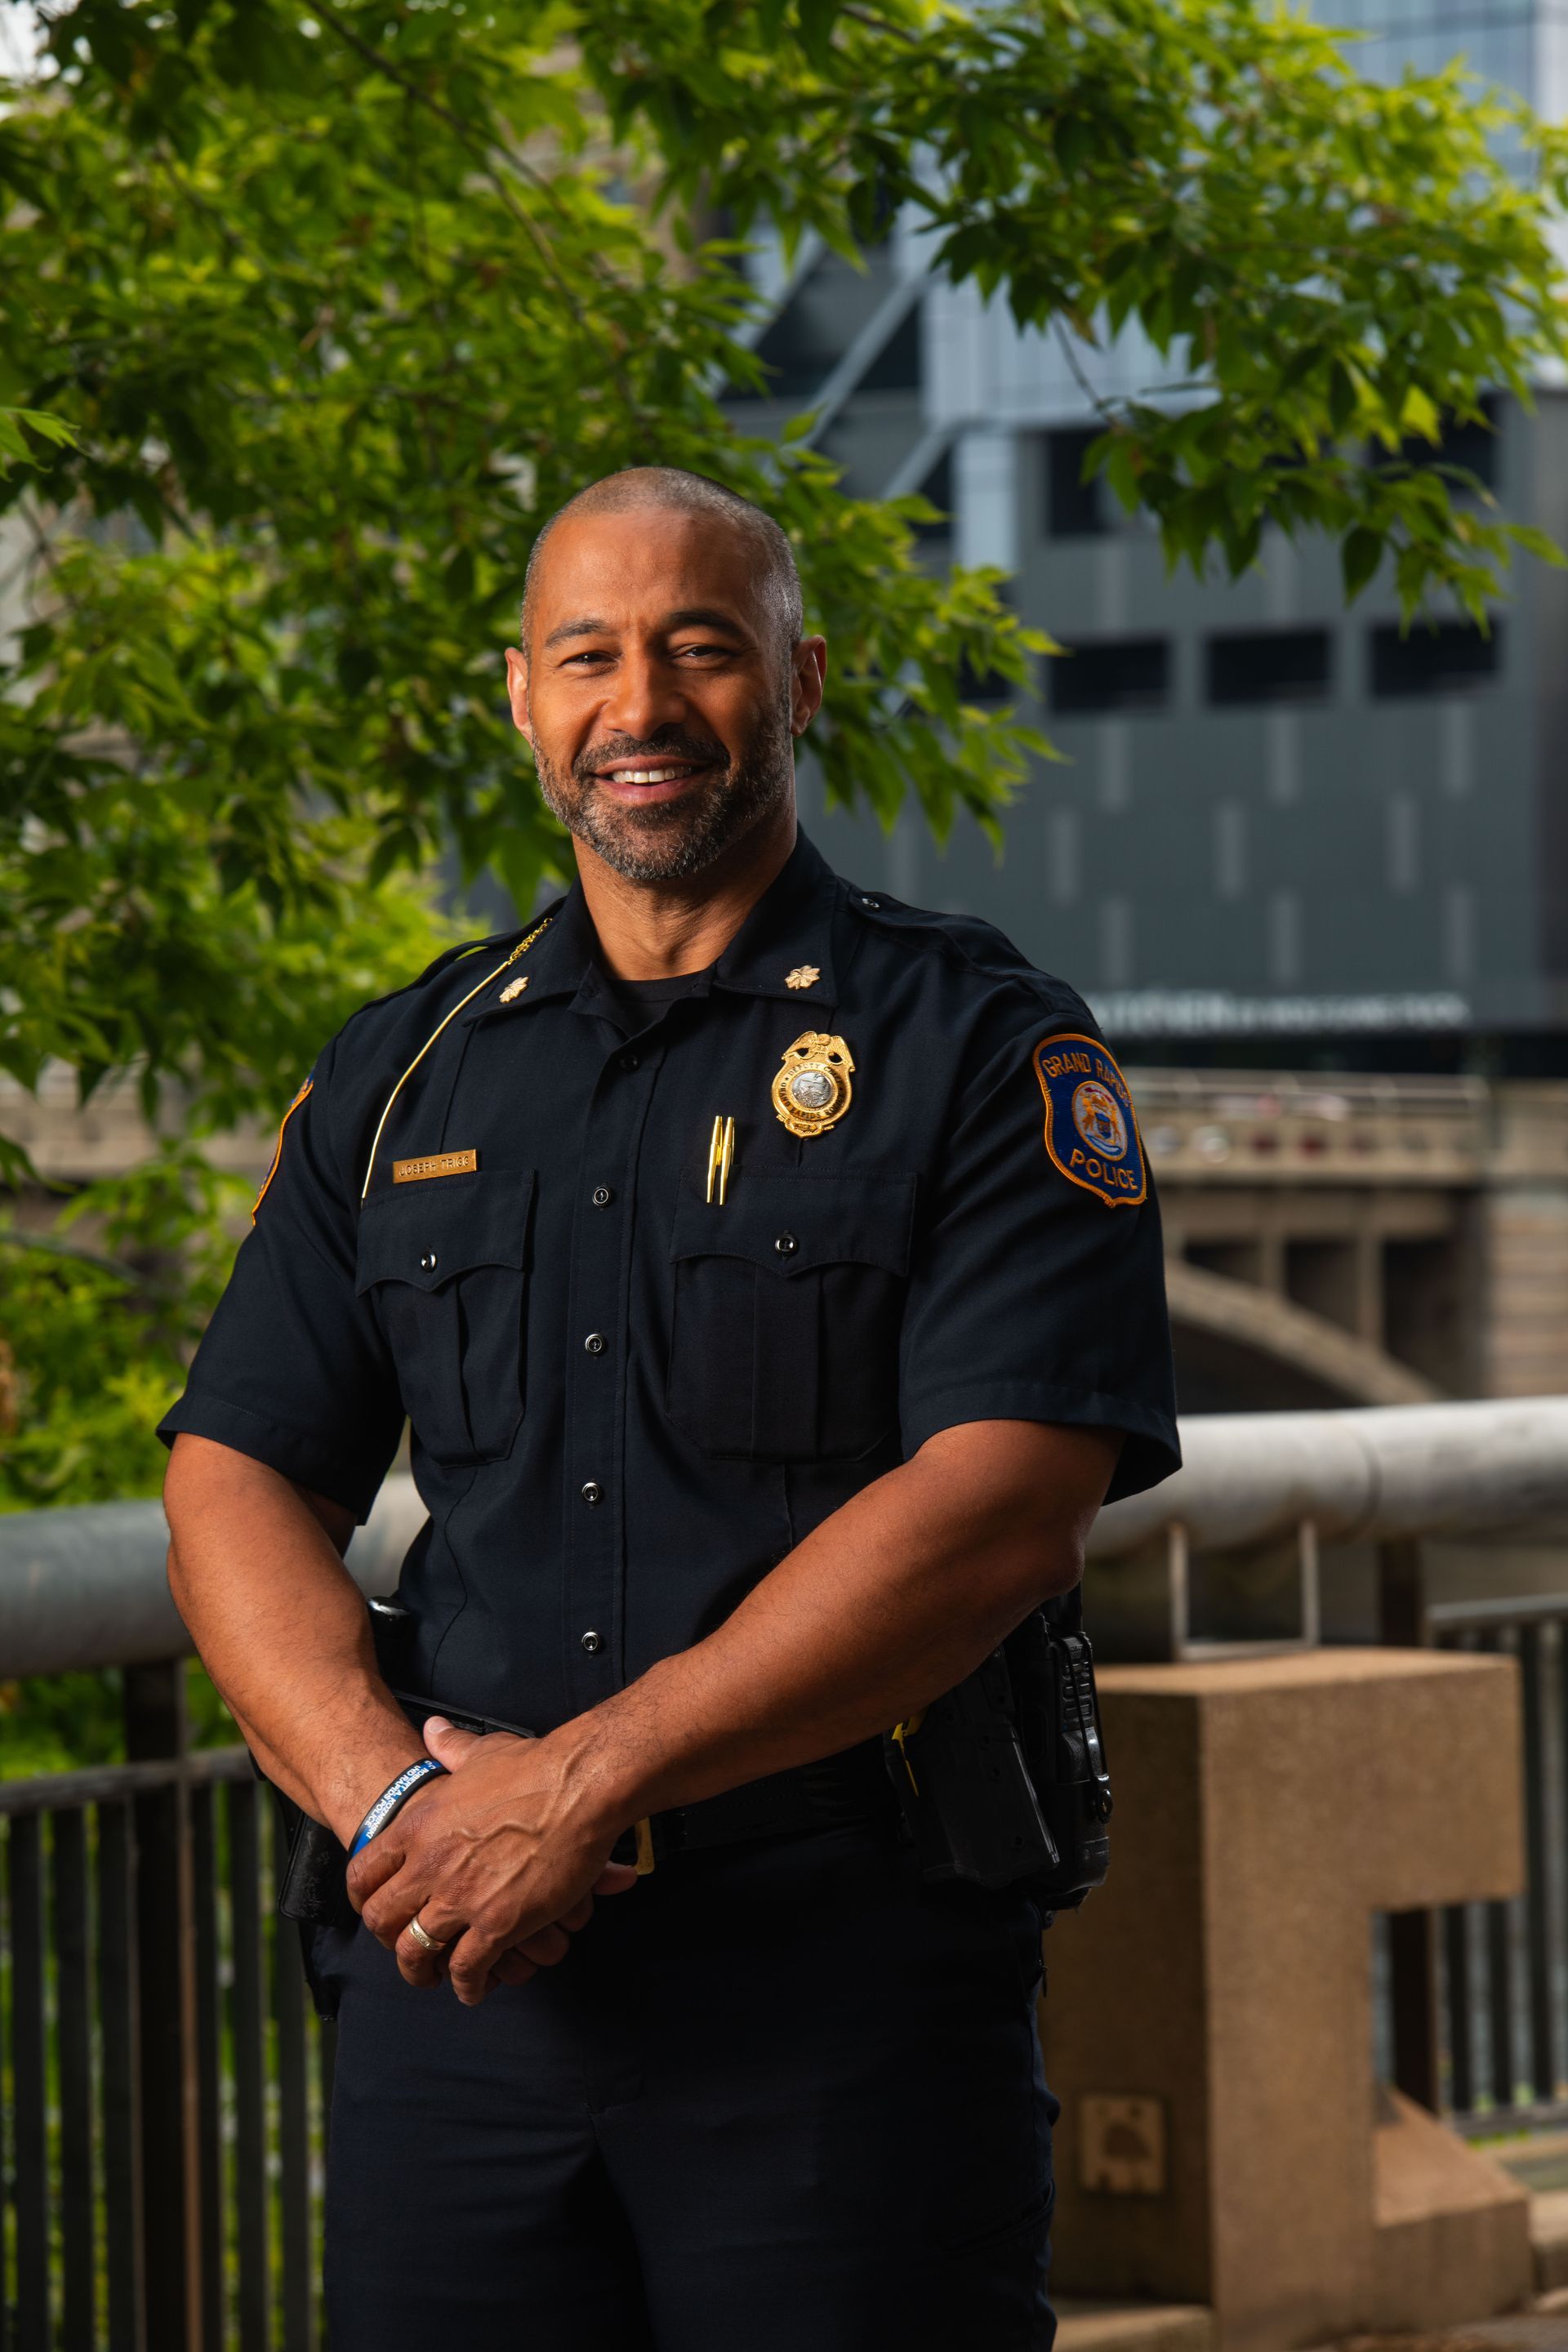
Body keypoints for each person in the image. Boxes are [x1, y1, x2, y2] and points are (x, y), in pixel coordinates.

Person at [160, 466, 1178, 2351]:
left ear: (799, 685)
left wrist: (583, 1782)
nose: (642, 706)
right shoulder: (401, 1072)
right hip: (461, 1991)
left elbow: (1005, 1502)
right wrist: (396, 1799)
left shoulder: (977, 1047)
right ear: (529, 707)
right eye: (590, 657)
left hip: (842, 1996)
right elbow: (233, 1468)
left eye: (702, 651)